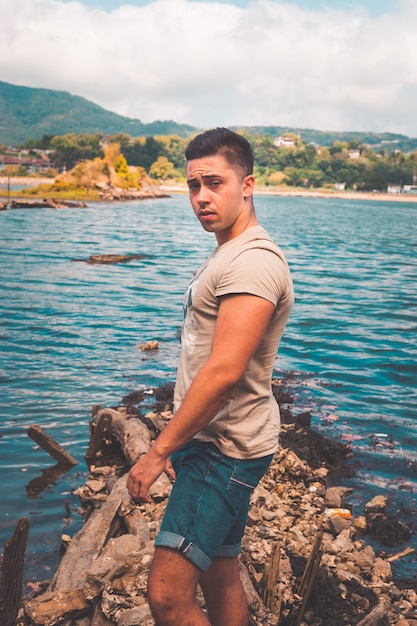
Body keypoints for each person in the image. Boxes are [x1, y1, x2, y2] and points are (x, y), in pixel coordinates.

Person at [127, 127, 294, 626]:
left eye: (214, 183)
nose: (201, 196)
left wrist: (158, 451)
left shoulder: (252, 262)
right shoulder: (229, 253)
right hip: (216, 440)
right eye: (193, 185)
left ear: (248, 184)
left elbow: (223, 375)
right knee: (221, 571)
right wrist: (182, 439)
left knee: (167, 595)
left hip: (225, 449)